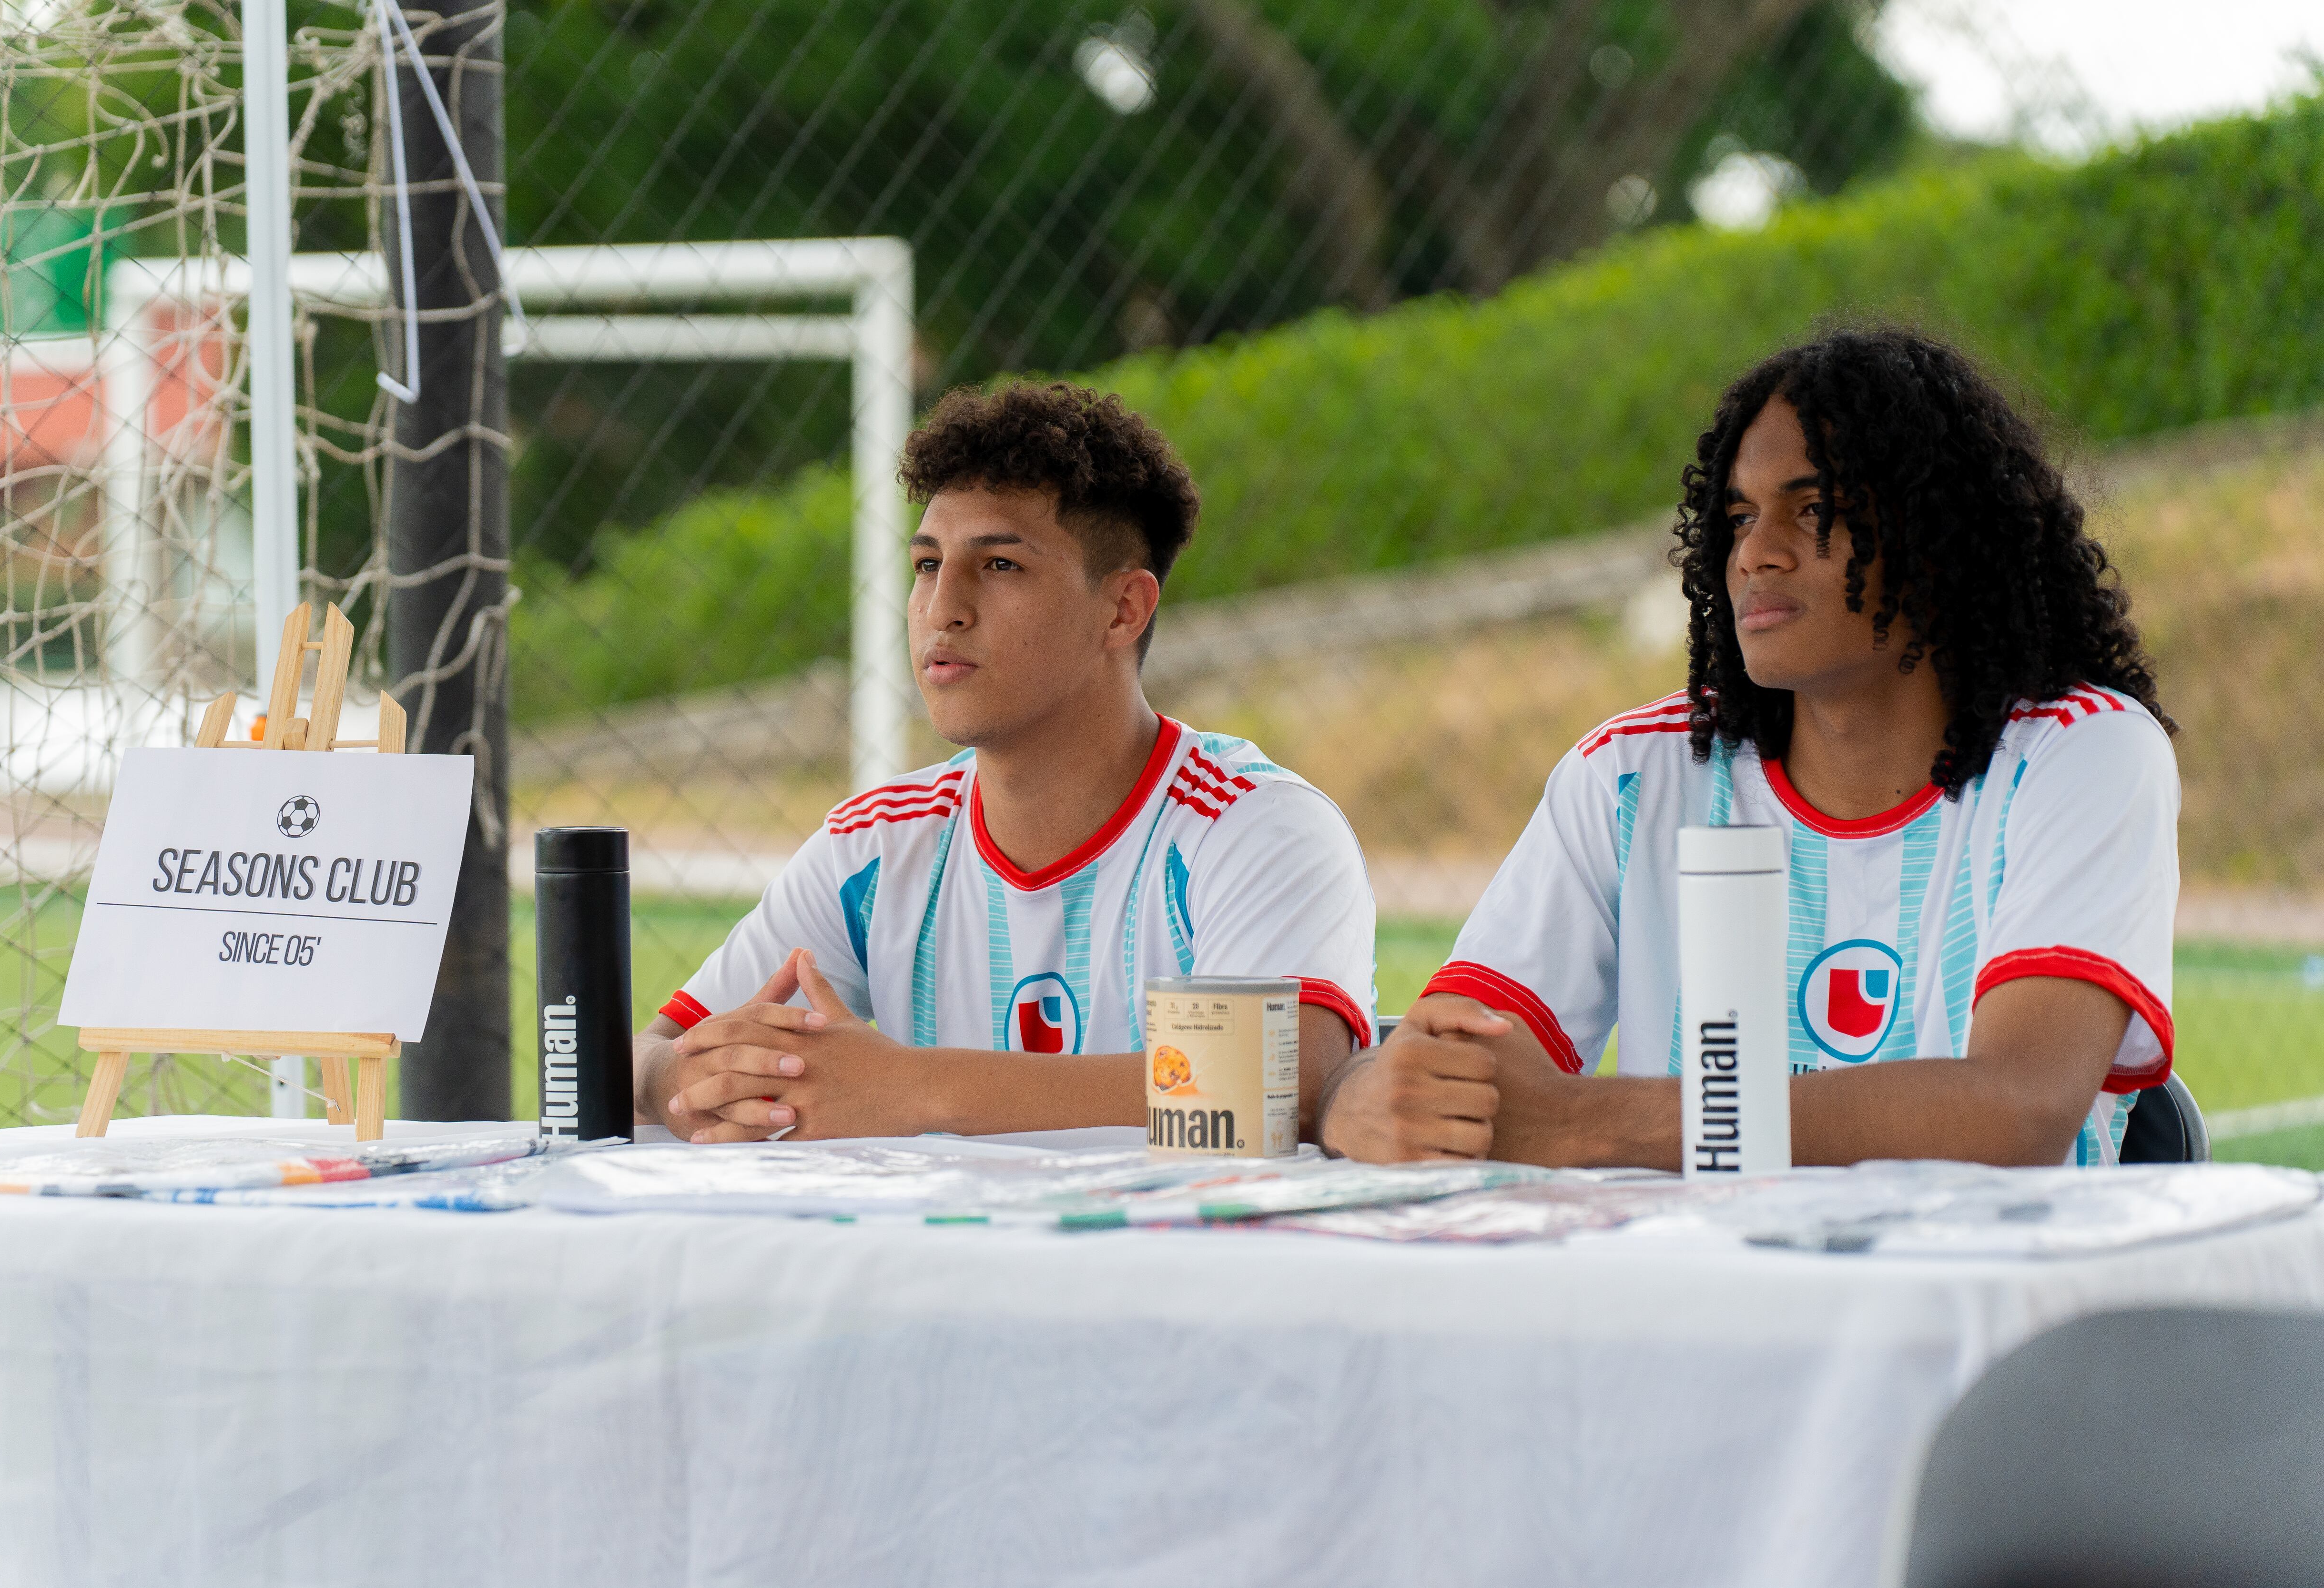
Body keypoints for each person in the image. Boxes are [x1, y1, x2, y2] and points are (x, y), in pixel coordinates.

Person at [1323, 327, 2178, 1168]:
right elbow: (1451, 1068)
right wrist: (1359, 1099)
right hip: (1691, 1266)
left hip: (1985, 1266)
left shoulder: (2081, 754)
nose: (1755, 554)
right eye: (1739, 517)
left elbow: (2017, 1108)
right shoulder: (1631, 777)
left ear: (1936, 538)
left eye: (1813, 510)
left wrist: (1586, 1123)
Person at [637, 381, 1376, 1143]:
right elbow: (652, 1053)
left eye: (999, 565)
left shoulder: (1253, 825)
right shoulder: (876, 846)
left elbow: (1286, 1082)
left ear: (1123, 609)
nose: (942, 609)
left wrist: (910, 1088)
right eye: (928, 564)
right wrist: (682, 1084)